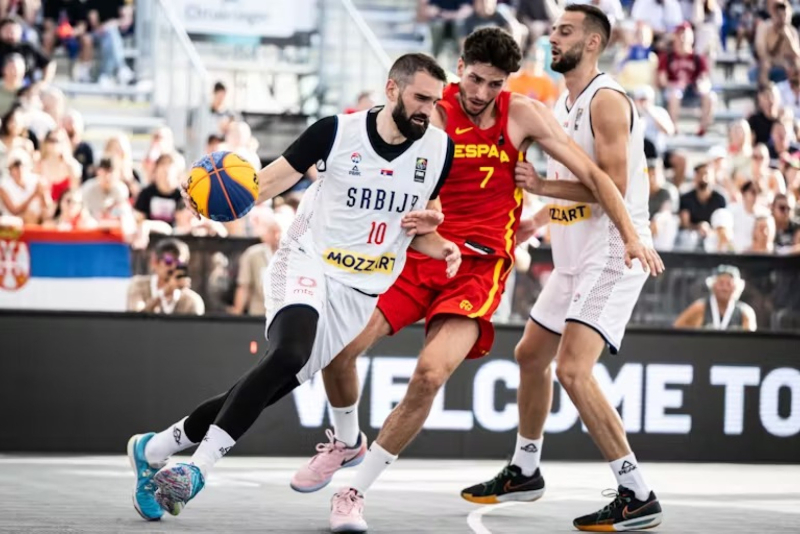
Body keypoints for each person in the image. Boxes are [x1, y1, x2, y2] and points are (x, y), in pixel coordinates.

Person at [291, 25, 663, 533]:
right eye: (474, 79)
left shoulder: (525, 113)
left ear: (506, 82)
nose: (482, 93)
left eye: (494, 84)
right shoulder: (432, 110)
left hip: (479, 268)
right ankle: (351, 440)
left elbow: (600, 178)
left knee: (430, 375)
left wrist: (632, 236)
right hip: (420, 253)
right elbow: (378, 159)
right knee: (340, 352)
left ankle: (353, 492)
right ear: (460, 68)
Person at [124, 53, 460, 523]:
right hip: (307, 261)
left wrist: (443, 245)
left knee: (266, 386)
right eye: (420, 97)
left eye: (435, 101)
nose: (428, 109)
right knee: (288, 354)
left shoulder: (439, 150)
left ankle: (153, 448)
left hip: (359, 293)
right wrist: (204, 196)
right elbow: (263, 185)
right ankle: (197, 470)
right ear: (392, 90)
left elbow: (418, 226)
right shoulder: (335, 132)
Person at [458, 7, 664, 532]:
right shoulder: (564, 101)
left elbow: (609, 184)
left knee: (573, 370)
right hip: (573, 256)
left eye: (565, 31)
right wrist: (537, 219)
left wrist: (543, 187)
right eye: (553, 29)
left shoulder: (607, 100)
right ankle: (525, 470)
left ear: (592, 43)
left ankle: (637, 492)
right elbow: (575, 191)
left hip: (614, 252)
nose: (553, 37)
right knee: (531, 355)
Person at [674, 264, 756, 330]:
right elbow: (676, 328)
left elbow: (750, 340)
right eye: (721, 283)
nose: (724, 288)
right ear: (712, 285)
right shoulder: (699, 308)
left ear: (737, 287)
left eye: (729, 284)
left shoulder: (745, 313)